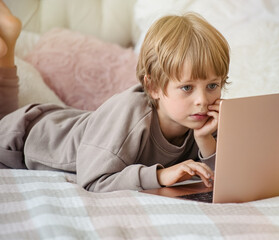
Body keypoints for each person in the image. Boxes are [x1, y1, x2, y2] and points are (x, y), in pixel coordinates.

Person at [0, 0, 230, 192]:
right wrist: (159, 176)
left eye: (212, 85)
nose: (203, 99)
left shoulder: (202, 118)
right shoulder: (132, 112)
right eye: (187, 88)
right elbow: (93, 180)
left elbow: (224, 178)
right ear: (154, 87)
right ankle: (7, 47)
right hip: (22, 138)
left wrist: (205, 141)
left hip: (69, 124)